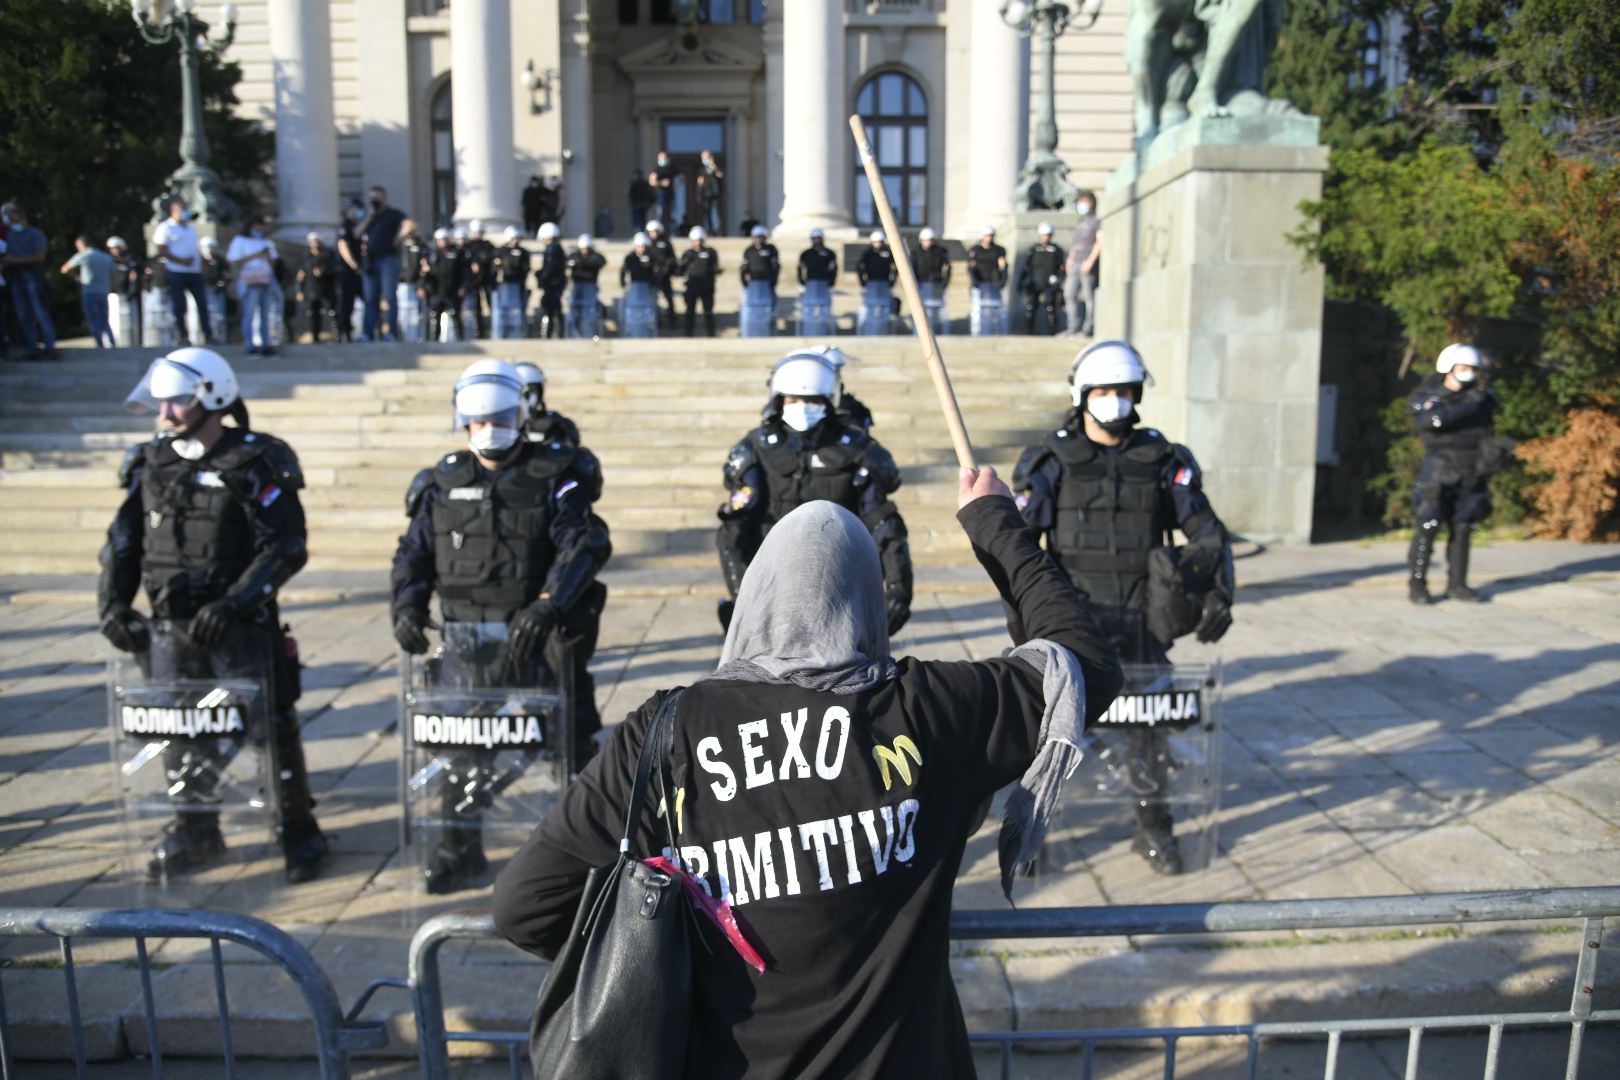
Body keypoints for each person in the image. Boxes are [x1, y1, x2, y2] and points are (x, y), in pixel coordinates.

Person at [492, 478, 1123, 1079]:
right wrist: (993, 520)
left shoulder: (665, 730)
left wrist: (664, 954)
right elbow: (1083, 664)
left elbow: (526, 904)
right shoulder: (931, 709)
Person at [100, 348, 326, 883]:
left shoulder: (254, 461)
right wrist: (112, 605)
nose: (166, 412)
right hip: (167, 631)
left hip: (238, 630)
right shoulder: (151, 462)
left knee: (269, 732)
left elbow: (286, 545)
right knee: (180, 733)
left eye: (176, 400)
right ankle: (196, 827)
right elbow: (123, 545)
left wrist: (235, 603)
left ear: (213, 396)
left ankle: (298, 831)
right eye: (161, 401)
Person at [1012, 340, 1233, 875]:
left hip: (1141, 619)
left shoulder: (1162, 459)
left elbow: (1205, 528)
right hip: (1072, 621)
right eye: (1104, 391)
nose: (1115, 400)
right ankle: (1031, 834)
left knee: (1148, 733)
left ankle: (1153, 827)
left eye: (1124, 391)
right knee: (1051, 736)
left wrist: (1214, 585)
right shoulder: (1050, 461)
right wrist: (1024, 620)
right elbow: (1019, 542)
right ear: (1083, 395)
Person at [391, 360, 611, 892]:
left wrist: (547, 604)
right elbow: (413, 555)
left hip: (539, 640)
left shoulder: (556, 474)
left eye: (500, 416)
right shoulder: (440, 482)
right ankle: (457, 846)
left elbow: (583, 541)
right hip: (466, 641)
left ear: (521, 413)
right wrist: (407, 606)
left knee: (570, 743)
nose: (489, 429)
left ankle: (581, 853)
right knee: (460, 748)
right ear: (463, 421)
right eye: (477, 420)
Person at [716, 348, 912, 634]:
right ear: (778, 400)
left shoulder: (856, 450)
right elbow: (734, 529)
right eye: (793, 399)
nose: (801, 406)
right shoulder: (757, 449)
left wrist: (897, 592)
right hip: (772, 586)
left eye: (811, 400)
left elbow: (884, 523)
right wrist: (744, 597)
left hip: (841, 585)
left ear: (828, 401)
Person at [1407, 343, 1499, 605]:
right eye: (1463, 367)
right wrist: (1469, 403)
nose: (1468, 372)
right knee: (1428, 526)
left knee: (1463, 528)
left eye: (1472, 368)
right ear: (1448, 367)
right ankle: (1418, 586)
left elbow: (1486, 433)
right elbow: (1433, 421)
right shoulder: (1430, 396)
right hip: (1439, 469)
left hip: (1470, 470)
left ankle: (1458, 585)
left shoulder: (1483, 398)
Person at [150, 199, 210, 348]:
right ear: (173, 211)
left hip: (194, 272)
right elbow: (162, 250)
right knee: (179, 305)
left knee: (202, 304)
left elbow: (196, 250)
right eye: (182, 209)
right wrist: (181, 261)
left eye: (186, 208)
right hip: (177, 271)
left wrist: (202, 267)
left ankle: (208, 334)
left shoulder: (191, 228)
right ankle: (182, 335)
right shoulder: (166, 227)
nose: (186, 212)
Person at [358, 185, 407, 341]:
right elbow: (357, 233)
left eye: (377, 198)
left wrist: (398, 238)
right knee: (370, 299)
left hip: (388, 260)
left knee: (389, 296)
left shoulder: (393, 214)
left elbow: (411, 224)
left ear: (385, 198)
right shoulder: (368, 215)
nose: (375, 201)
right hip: (370, 262)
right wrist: (369, 217)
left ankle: (391, 332)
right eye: (372, 198)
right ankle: (368, 332)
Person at [227, 215, 279, 358]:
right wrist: (256, 255)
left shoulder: (266, 242)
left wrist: (267, 256)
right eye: (257, 228)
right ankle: (250, 345)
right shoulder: (240, 241)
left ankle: (266, 345)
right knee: (249, 314)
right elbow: (235, 261)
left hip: (266, 281)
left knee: (265, 315)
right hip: (250, 282)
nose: (259, 230)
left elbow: (273, 263)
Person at [61, 236, 115, 349]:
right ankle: (112, 342)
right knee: (104, 320)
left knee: (94, 320)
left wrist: (76, 277)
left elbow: (65, 269)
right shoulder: (107, 257)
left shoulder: (84, 255)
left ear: (82, 245)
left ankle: (100, 345)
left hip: (89, 292)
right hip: (104, 292)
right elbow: (113, 274)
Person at [513, 362, 583, 448]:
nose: (527, 396)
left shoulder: (558, 425)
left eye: (531, 390)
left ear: (540, 392)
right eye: (522, 390)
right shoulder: (500, 423)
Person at [1064, 191, 1101, 339]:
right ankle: (1072, 328)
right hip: (1076, 262)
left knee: (1088, 296)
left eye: (1085, 202)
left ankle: (1088, 328)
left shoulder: (1096, 221)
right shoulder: (1081, 221)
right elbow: (1075, 244)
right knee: (1069, 294)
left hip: (1087, 263)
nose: (1082, 205)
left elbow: (1100, 242)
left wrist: (1090, 261)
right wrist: (1070, 259)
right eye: (1081, 202)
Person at [1018, 222, 1066, 336]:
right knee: (1031, 306)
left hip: (1050, 282)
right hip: (1035, 281)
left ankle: (1052, 332)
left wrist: (1059, 281)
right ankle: (1028, 331)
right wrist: (1020, 282)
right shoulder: (1034, 249)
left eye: (1048, 235)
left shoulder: (1056, 250)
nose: (1046, 237)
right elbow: (1026, 267)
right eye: (1044, 235)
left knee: (1050, 307)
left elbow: (1062, 268)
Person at [677, 226, 722, 338]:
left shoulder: (710, 252)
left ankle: (711, 334)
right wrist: (683, 264)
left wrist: (714, 271)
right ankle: (688, 334)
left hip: (706, 286)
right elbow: (679, 271)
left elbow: (715, 267)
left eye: (699, 240)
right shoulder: (688, 253)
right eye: (695, 240)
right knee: (689, 312)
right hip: (692, 286)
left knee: (708, 312)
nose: (698, 243)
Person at [295, 233, 339, 343]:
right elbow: (301, 275)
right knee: (313, 315)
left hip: (327, 289)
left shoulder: (329, 255)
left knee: (333, 312)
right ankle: (316, 338)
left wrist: (324, 271)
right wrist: (299, 290)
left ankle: (338, 336)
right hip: (312, 290)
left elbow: (336, 270)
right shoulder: (306, 258)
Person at [423, 227, 465, 341]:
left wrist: (463, 287)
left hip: (452, 291)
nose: (443, 242)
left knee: (455, 316)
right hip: (436, 292)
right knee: (434, 318)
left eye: (445, 239)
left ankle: (460, 341)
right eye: (440, 240)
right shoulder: (432, 254)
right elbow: (425, 273)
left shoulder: (457, 253)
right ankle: (433, 342)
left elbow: (464, 272)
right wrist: (423, 285)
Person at [967, 226, 1009, 336]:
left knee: (995, 308)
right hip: (980, 283)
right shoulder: (975, 250)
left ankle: (996, 330)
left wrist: (1003, 280)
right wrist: (974, 281)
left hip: (994, 282)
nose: (989, 238)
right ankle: (980, 330)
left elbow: (1003, 265)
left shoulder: (998, 250)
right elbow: (972, 267)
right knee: (980, 308)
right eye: (987, 236)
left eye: (991, 236)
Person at [490, 227, 531, 339]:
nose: (516, 241)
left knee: (517, 311)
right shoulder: (501, 251)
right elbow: (494, 269)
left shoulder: (523, 252)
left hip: (517, 285)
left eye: (518, 238)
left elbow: (525, 268)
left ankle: (517, 334)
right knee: (502, 312)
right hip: (504, 285)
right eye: (514, 238)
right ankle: (501, 334)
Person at [739, 224, 779, 337]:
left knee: (770, 307)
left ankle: (770, 331)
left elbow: (776, 267)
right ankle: (751, 331)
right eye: (757, 237)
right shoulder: (749, 250)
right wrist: (744, 280)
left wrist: (773, 280)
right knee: (751, 308)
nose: (759, 239)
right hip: (754, 284)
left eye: (761, 237)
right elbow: (744, 267)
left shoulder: (771, 249)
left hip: (767, 283)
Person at [336, 199, 366, 342]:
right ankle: (347, 333)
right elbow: (343, 246)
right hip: (348, 272)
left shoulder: (361, 225)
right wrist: (355, 265)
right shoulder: (345, 225)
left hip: (362, 271)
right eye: (357, 208)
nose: (359, 211)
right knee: (348, 304)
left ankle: (366, 332)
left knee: (368, 302)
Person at [911, 228, 951, 335]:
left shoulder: (940, 251)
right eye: (926, 240)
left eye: (930, 240)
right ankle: (919, 332)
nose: (928, 242)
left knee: (935, 310)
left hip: (936, 284)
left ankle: (936, 331)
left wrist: (945, 282)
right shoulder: (916, 253)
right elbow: (912, 269)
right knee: (920, 310)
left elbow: (946, 267)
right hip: (921, 285)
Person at [856, 230, 897, 335]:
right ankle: (868, 331)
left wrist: (892, 281)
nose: (878, 244)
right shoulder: (867, 254)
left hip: (884, 283)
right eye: (876, 242)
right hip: (871, 283)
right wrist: (862, 281)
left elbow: (895, 268)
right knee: (869, 307)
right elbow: (860, 267)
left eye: (880, 242)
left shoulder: (888, 253)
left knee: (885, 308)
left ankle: (884, 331)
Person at [566, 234, 606, 339]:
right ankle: (576, 334)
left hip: (590, 287)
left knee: (591, 312)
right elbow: (568, 262)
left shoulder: (595, 257)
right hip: (577, 287)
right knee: (575, 312)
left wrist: (583, 263)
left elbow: (601, 262)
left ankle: (591, 333)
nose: (585, 251)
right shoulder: (574, 256)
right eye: (583, 249)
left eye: (587, 249)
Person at [619, 232, 658, 338]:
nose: (642, 249)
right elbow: (624, 270)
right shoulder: (631, 257)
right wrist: (623, 283)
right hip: (635, 287)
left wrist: (654, 282)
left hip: (647, 287)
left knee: (648, 310)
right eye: (640, 246)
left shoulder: (651, 257)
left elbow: (656, 271)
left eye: (644, 246)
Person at [396, 219, 429, 342]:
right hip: (401, 283)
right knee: (402, 312)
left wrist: (421, 284)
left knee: (416, 313)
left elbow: (424, 266)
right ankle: (402, 338)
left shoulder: (421, 246)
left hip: (416, 284)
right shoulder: (401, 245)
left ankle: (416, 338)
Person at [533, 222, 567, 340]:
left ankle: (550, 334)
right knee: (554, 308)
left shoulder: (552, 249)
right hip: (556, 283)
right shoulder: (557, 248)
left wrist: (542, 278)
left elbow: (550, 267)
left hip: (553, 284)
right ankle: (556, 333)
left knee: (550, 308)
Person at [108, 236, 142, 347]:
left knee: (129, 323)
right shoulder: (110, 261)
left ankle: (132, 343)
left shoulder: (130, 260)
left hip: (127, 295)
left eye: (116, 248)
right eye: (112, 248)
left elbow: (134, 275)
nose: (115, 251)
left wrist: (132, 291)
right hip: (113, 295)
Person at [197, 237, 231, 345]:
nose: (209, 250)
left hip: (216, 291)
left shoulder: (220, 260)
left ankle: (219, 337)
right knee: (198, 315)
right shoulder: (199, 260)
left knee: (218, 316)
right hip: (201, 291)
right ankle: (198, 340)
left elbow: (228, 275)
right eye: (206, 247)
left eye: (211, 247)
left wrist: (221, 285)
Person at [644, 219, 677, 327]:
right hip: (653, 277)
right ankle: (657, 321)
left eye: (656, 231)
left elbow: (672, 258)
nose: (654, 234)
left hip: (665, 276)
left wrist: (666, 269)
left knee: (669, 297)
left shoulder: (666, 243)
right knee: (653, 299)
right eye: (652, 231)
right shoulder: (646, 244)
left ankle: (673, 319)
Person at [696, 148, 725, 235]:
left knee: (717, 212)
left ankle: (719, 231)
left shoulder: (717, 167)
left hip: (716, 193)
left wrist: (713, 167)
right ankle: (710, 230)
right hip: (706, 194)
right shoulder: (702, 169)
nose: (704, 160)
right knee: (707, 213)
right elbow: (700, 182)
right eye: (703, 158)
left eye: (706, 157)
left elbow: (720, 175)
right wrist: (698, 194)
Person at [651, 152, 677, 228]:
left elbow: (682, 177)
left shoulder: (671, 168)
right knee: (660, 212)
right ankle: (659, 229)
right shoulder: (657, 169)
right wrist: (661, 183)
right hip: (661, 193)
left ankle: (673, 230)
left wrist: (676, 185)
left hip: (671, 193)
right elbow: (652, 181)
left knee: (673, 213)